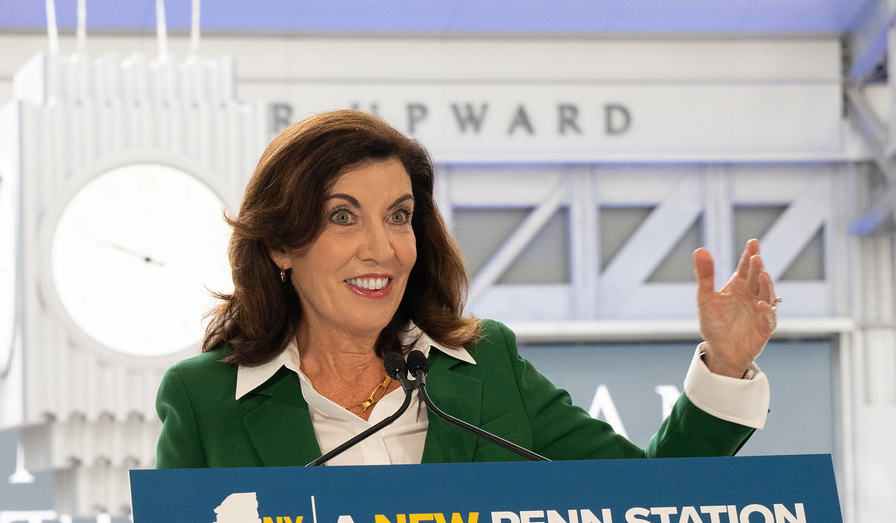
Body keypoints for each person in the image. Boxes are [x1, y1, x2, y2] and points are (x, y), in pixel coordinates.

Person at [155, 110, 775, 472]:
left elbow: (648, 506)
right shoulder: (203, 399)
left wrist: (725, 366)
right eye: (343, 216)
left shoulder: (488, 365)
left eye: (399, 216)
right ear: (280, 245)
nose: (382, 248)